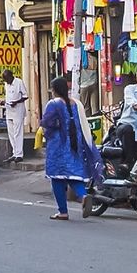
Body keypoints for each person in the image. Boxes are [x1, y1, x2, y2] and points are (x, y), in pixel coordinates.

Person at [40, 75, 95, 219]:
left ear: (54, 90)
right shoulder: (76, 104)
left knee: (57, 178)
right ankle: (83, 196)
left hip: (58, 146)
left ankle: (63, 211)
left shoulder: (53, 103)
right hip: (74, 145)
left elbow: (47, 123)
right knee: (74, 175)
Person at [2, 70, 29, 162]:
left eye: (6, 79)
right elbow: (8, 96)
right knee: (11, 133)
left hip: (18, 110)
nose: (6, 81)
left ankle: (19, 154)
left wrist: (16, 102)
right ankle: (15, 153)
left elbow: (26, 96)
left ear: (10, 76)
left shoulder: (19, 82)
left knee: (18, 132)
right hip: (9, 110)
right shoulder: (6, 84)